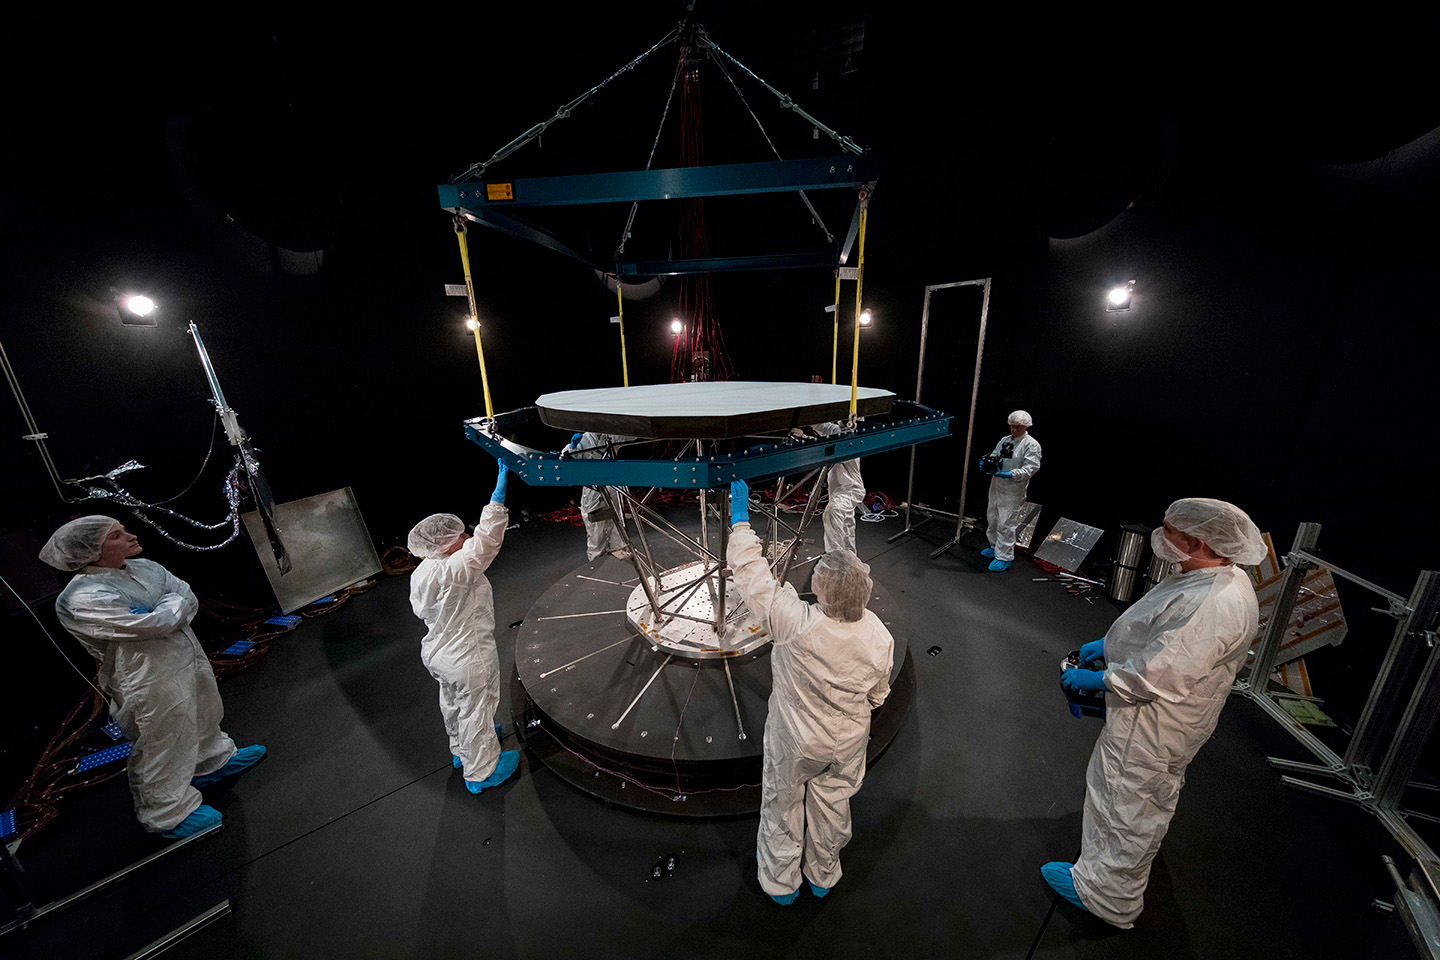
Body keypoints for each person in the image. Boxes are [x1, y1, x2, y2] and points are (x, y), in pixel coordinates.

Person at [1045, 498, 1265, 928]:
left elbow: (1159, 675)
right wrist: (1109, 648)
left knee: (1122, 797)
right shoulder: (1214, 575)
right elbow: (1163, 634)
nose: (1161, 537)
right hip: (1176, 717)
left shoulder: (1213, 604)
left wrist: (1103, 680)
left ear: (1199, 542)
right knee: (1147, 795)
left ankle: (1106, 897)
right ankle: (1125, 864)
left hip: (1154, 722)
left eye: (1171, 531)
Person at [41, 516, 266, 839]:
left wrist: (165, 609)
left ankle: (212, 762)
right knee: (163, 736)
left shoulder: (145, 567)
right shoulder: (81, 596)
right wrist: (169, 606)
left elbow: (186, 596)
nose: (131, 536)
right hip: (144, 675)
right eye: (117, 536)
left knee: (202, 712)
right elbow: (150, 625)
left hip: (185, 656)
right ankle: (165, 813)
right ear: (92, 552)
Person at [726, 478, 894, 906]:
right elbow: (878, 694)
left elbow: (754, 581)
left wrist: (742, 524)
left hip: (797, 739)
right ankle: (823, 874)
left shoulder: (796, 624)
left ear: (821, 587)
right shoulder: (878, 632)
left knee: (782, 805)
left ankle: (781, 884)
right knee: (833, 807)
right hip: (849, 740)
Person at [407, 461, 520, 794]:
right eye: (459, 536)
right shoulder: (455, 571)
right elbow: (486, 543)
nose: (465, 537)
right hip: (466, 656)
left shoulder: (424, 571)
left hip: (439, 653)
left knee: (454, 705)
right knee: (477, 709)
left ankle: (461, 751)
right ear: (446, 544)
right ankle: (482, 771)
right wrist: (497, 500)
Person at [981, 410, 1042, 572]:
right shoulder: (1005, 440)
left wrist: (1010, 474)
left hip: (1013, 489)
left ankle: (1004, 556)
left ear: (1026, 427)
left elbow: (1031, 468)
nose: (1013, 430)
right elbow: (995, 454)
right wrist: (990, 462)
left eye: (1017, 427)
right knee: (992, 517)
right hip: (997, 485)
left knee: (1006, 522)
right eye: (1011, 427)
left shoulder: (1031, 445)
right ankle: (995, 546)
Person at [564, 432, 632, 562]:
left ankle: (618, 549)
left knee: (616, 518)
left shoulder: (610, 436)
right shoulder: (583, 440)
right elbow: (568, 456)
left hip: (612, 483)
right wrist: (572, 447)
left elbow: (628, 437)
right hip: (593, 487)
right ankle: (596, 557)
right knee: (595, 524)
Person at [810, 422, 865, 556]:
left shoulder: (854, 437)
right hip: (837, 489)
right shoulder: (835, 430)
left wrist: (807, 439)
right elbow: (818, 424)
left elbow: (836, 451)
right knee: (846, 525)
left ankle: (835, 559)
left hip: (851, 490)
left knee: (833, 512)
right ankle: (850, 559)